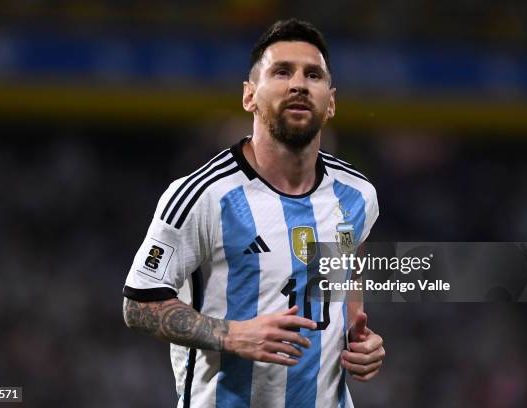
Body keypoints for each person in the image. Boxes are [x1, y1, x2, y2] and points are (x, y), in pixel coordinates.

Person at [122, 18, 384, 408]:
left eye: (312, 75)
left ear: (330, 102)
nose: (298, 84)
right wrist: (231, 335)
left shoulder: (358, 194)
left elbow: (350, 262)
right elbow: (138, 304)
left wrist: (360, 338)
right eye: (281, 72)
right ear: (249, 96)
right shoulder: (201, 195)